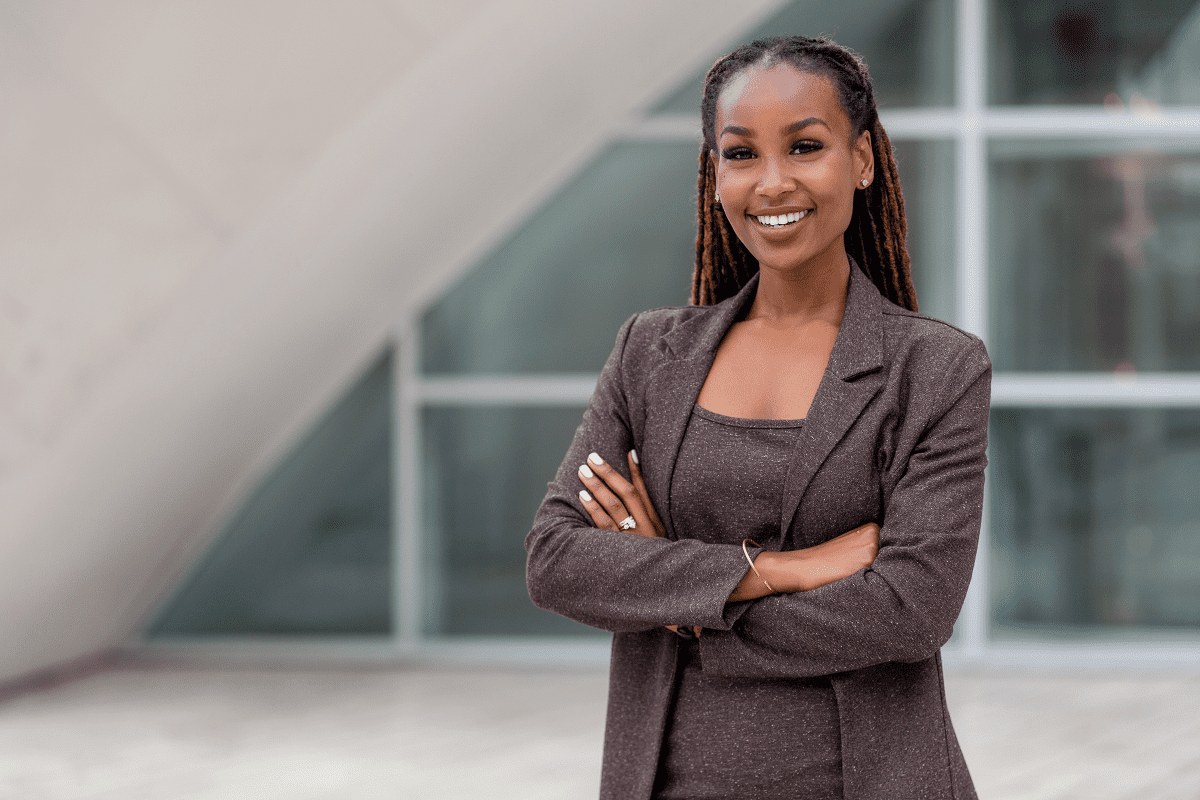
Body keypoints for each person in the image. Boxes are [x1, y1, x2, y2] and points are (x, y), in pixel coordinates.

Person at [526, 35, 990, 800]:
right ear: (715, 176)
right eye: (741, 155)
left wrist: (681, 606)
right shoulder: (650, 353)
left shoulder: (935, 369)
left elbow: (910, 611)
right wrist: (775, 571)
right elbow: (556, 560)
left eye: (805, 146)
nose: (772, 183)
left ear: (863, 161)